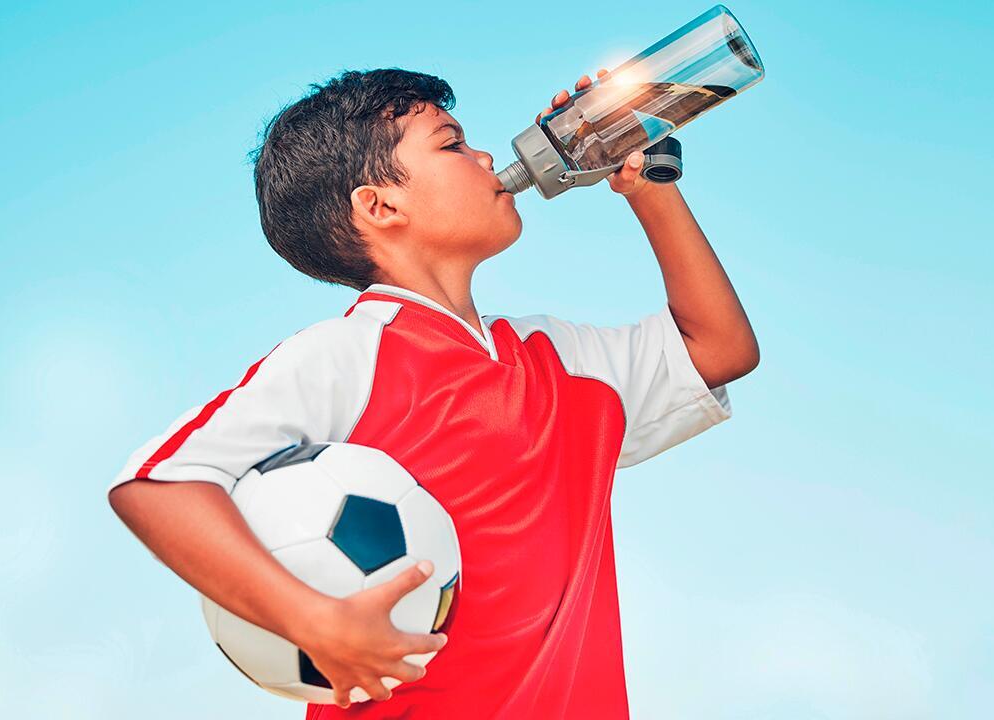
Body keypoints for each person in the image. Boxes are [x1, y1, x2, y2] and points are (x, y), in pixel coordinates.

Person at [107, 67, 759, 719]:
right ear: (380, 207)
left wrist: (650, 189)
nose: (485, 157)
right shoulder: (348, 357)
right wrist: (312, 619)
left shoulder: (563, 360)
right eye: (451, 144)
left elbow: (719, 350)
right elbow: (157, 482)